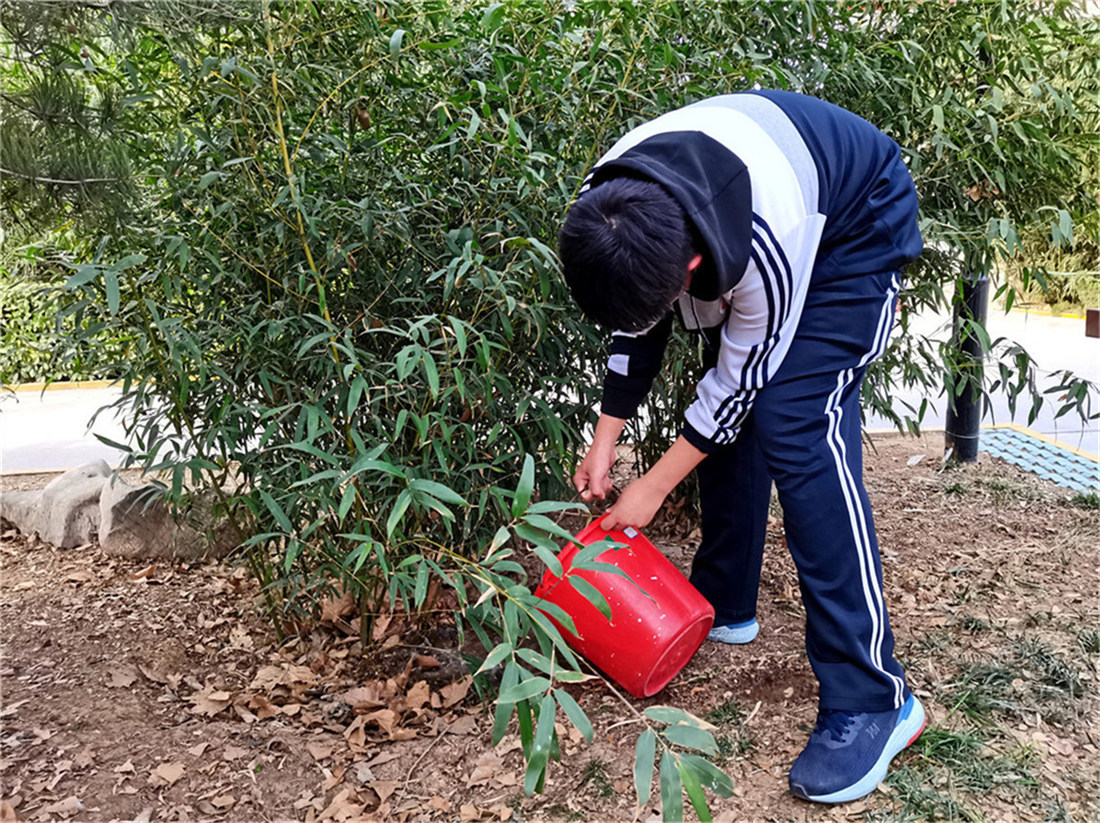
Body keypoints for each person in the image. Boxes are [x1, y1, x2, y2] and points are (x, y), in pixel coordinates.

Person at [557, 90, 925, 804]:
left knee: (794, 420)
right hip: (759, 206)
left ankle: (874, 697)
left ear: (692, 264)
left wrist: (654, 484)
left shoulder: (765, 238)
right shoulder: (610, 205)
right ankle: (724, 600)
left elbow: (740, 381)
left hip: (855, 225)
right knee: (737, 404)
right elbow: (635, 322)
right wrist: (605, 440)